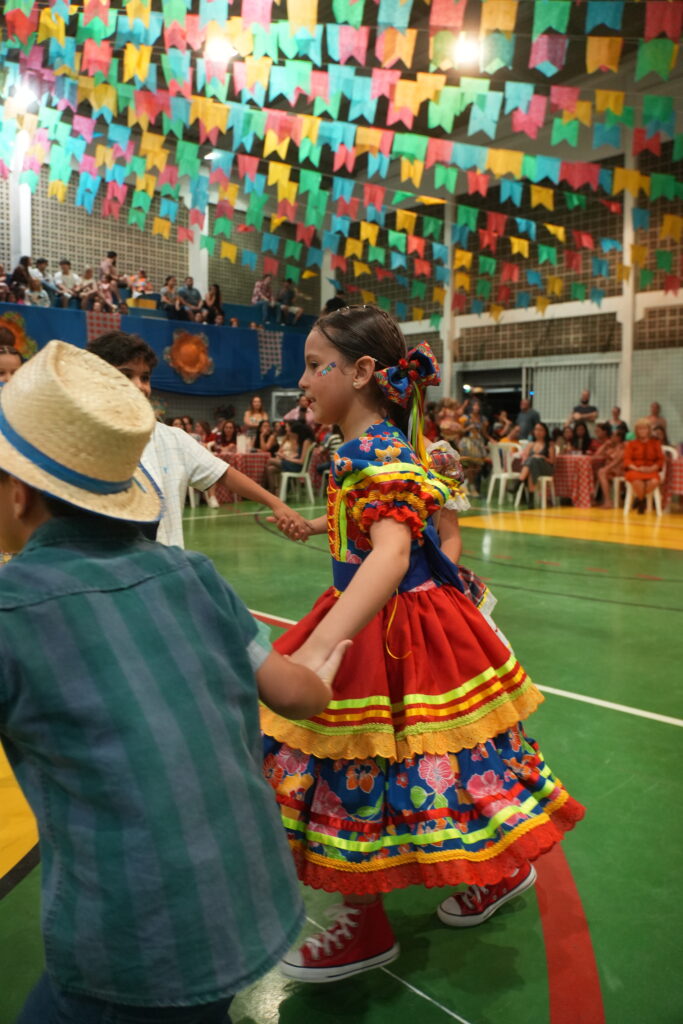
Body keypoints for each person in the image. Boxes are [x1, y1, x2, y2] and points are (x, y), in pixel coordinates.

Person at [0, 340, 349, 1023]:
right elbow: (299, 694)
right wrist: (327, 666)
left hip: (133, 943)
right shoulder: (194, 574)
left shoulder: (13, 612)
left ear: (17, 494)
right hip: (253, 906)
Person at [262, 306, 584, 982]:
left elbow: (391, 551)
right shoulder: (365, 450)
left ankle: (368, 925)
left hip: (392, 635)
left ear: (362, 372)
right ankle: (489, 875)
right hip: (393, 624)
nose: (303, 380)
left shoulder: (377, 451)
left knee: (361, 768)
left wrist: (327, 638)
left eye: (315, 365)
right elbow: (382, 535)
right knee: (429, 765)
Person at [86, 331, 309, 545]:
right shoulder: (81, 441)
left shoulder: (171, 438)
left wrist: (276, 504)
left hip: (166, 564)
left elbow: (224, 473)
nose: (139, 386)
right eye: (125, 375)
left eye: (145, 377)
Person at [623, 418, 664, 514]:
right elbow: (627, 459)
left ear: (649, 430)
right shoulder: (631, 444)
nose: (642, 431)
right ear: (636, 431)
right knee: (637, 482)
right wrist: (637, 468)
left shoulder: (655, 443)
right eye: (639, 429)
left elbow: (660, 459)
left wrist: (651, 468)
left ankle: (640, 499)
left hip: (651, 470)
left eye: (644, 428)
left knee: (654, 481)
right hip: (635, 470)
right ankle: (642, 501)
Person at [265, 420, 313, 493]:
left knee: (270, 460)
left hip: (298, 467)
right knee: (270, 469)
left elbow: (301, 461)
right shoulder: (303, 441)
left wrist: (286, 458)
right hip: (295, 464)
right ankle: (274, 491)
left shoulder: (306, 441)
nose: (287, 429)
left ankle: (268, 488)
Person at [517, 422, 556, 507]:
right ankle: (531, 501)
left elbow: (552, 461)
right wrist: (534, 458)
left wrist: (542, 457)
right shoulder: (531, 444)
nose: (538, 432)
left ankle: (519, 482)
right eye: (536, 429)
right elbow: (526, 458)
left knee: (534, 460)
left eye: (540, 430)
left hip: (545, 468)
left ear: (545, 432)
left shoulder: (549, 444)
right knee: (532, 464)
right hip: (533, 467)